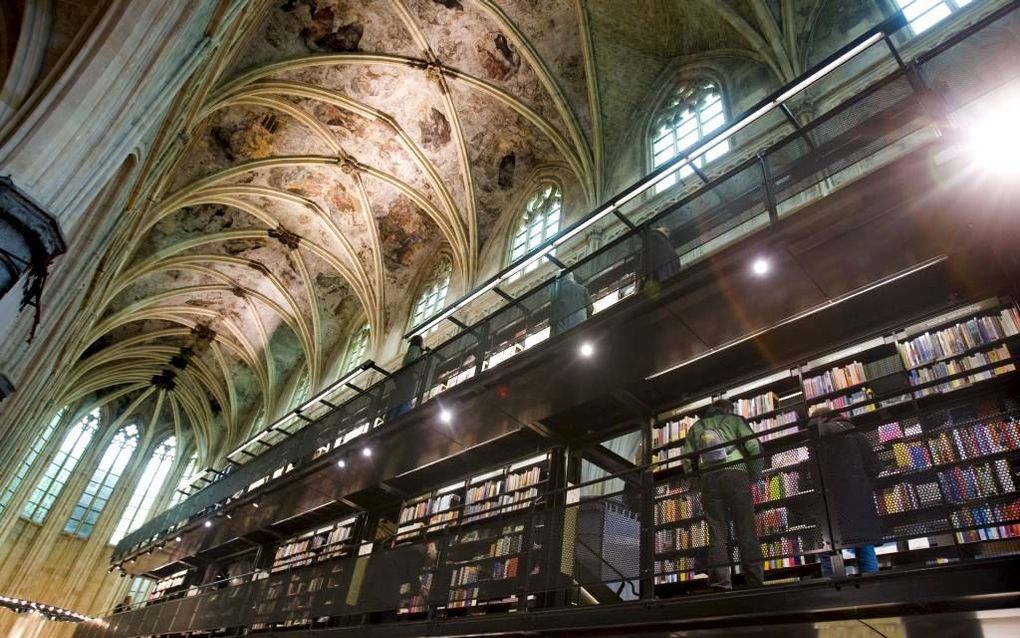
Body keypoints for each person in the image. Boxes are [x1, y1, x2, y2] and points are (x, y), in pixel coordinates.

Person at [682, 398, 764, 590]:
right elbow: (754, 447)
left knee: (717, 533)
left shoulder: (696, 427)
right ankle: (755, 582)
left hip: (709, 479)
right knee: (746, 529)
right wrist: (754, 474)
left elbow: (687, 462)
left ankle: (722, 583)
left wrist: (699, 482)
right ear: (727, 408)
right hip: (736, 474)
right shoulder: (735, 420)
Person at [810, 406, 883, 577]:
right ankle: (874, 589)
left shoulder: (822, 430)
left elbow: (816, 467)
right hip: (860, 496)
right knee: (865, 544)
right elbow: (875, 466)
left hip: (832, 497)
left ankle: (835, 589)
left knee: (829, 545)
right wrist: (862, 482)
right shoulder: (858, 433)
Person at [388, 335, 429, 420]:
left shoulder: (413, 350)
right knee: (406, 398)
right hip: (408, 377)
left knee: (402, 399)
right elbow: (411, 361)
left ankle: (396, 417)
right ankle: (402, 416)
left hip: (405, 377)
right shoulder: (415, 349)